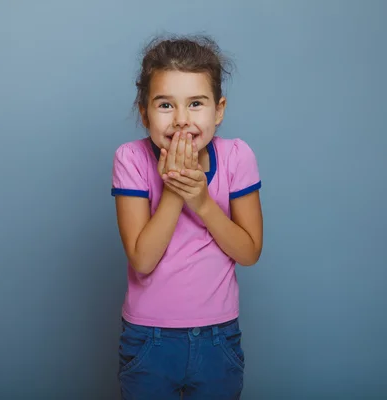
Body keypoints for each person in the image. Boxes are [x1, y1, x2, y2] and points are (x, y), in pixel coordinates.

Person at [111, 34, 263, 399]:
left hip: (218, 337)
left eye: (196, 103)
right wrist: (176, 192)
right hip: (149, 339)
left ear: (219, 109)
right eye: (166, 105)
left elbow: (249, 252)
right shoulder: (130, 160)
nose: (181, 120)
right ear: (144, 111)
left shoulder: (237, 158)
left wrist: (203, 201)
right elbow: (143, 259)